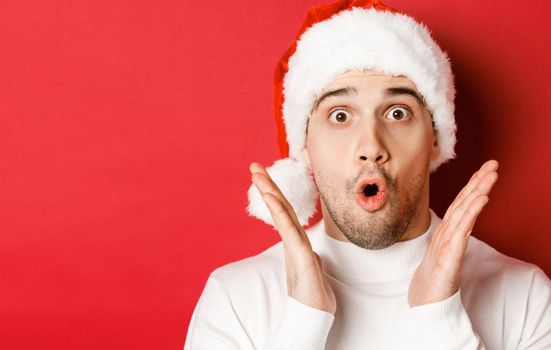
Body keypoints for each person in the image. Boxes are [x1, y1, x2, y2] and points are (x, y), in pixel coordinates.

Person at [184, 0, 551, 349]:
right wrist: (304, 324)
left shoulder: (525, 297)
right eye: (340, 115)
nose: (370, 146)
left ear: (436, 138)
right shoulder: (235, 298)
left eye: (396, 113)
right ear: (305, 148)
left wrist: (440, 320)